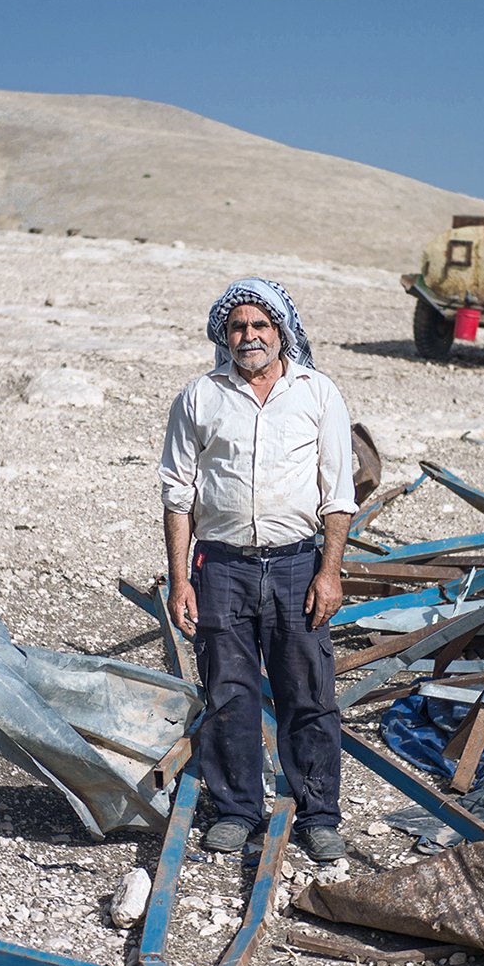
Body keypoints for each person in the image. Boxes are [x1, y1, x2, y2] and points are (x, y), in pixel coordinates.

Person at [159, 278, 356, 862]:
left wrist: (331, 571)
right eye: (239, 327)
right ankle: (237, 810)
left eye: (260, 326)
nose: (250, 337)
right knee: (228, 693)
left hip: (298, 564)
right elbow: (178, 495)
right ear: (226, 335)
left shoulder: (318, 394)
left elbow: (338, 493)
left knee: (310, 694)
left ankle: (319, 815)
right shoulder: (200, 397)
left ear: (282, 332)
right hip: (221, 567)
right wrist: (180, 578)